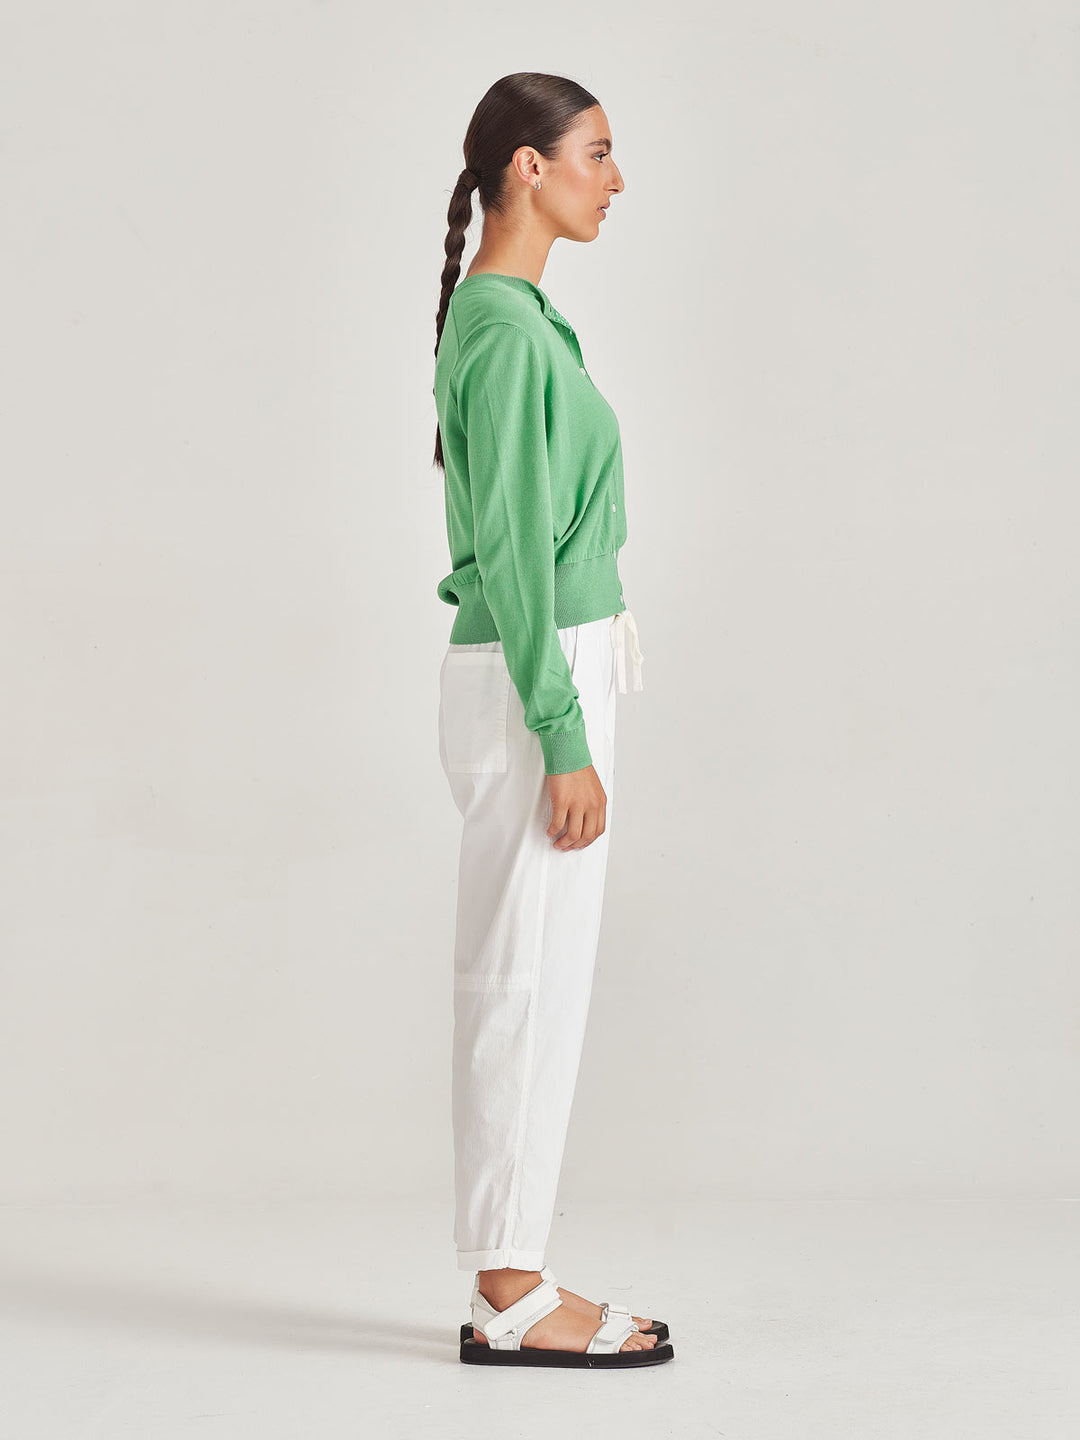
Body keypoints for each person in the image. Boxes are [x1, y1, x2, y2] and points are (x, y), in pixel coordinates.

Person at [431, 72, 672, 1370]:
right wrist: (563, 734)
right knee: (522, 982)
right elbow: (519, 554)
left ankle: (515, 1269)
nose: (615, 180)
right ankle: (511, 1292)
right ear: (529, 167)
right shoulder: (508, 332)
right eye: (597, 153)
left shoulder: (517, 319)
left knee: (541, 978)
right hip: (541, 678)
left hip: (549, 668)